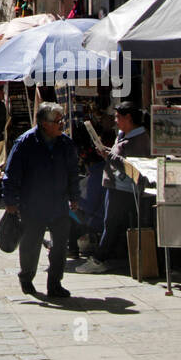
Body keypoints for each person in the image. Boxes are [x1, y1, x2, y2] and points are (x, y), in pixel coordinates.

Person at [2, 102, 80, 298]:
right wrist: (11, 202)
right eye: (57, 121)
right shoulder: (25, 142)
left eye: (62, 120)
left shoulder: (65, 144)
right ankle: (26, 278)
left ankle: (55, 283)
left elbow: (72, 172)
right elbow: (11, 174)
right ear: (44, 123)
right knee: (31, 244)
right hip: (32, 204)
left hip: (59, 204)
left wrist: (74, 196)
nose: (62, 124)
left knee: (60, 246)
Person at [77, 101, 151, 274]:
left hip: (125, 188)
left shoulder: (139, 139)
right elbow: (118, 157)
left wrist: (108, 155)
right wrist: (108, 152)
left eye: (118, 117)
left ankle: (99, 259)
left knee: (111, 224)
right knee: (111, 223)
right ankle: (107, 257)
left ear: (129, 118)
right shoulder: (124, 135)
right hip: (116, 185)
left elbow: (131, 165)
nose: (115, 120)